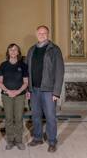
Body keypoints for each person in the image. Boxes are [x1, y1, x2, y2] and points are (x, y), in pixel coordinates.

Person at [26, 25, 64, 153]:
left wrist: (56, 92)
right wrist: (28, 90)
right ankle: (37, 138)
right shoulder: (31, 50)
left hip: (48, 90)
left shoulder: (54, 50)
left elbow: (60, 71)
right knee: (35, 115)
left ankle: (52, 141)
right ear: (36, 34)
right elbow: (27, 71)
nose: (42, 35)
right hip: (34, 89)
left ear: (48, 34)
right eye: (40, 33)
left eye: (45, 33)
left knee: (50, 116)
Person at [0, 43, 29, 150]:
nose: (13, 51)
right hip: (7, 96)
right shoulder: (3, 65)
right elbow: (0, 82)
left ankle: (19, 141)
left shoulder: (23, 66)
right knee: (9, 118)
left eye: (15, 50)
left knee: (19, 118)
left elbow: (25, 82)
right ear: (8, 52)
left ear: (18, 52)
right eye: (11, 50)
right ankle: (10, 141)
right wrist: (8, 91)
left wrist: (17, 91)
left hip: (20, 96)